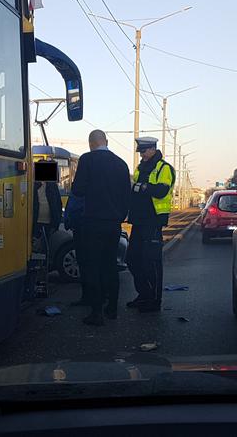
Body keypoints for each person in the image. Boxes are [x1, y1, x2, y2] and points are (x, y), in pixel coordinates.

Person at [71, 130, 131, 326]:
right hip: (113, 224)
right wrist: (119, 216)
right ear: (106, 141)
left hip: (92, 222)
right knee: (110, 266)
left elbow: (78, 190)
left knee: (92, 266)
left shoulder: (87, 160)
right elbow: (126, 196)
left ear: (90, 143)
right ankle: (112, 309)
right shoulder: (121, 164)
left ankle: (96, 312)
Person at [126, 137, 175, 313]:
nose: (142, 155)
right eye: (140, 152)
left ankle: (154, 300)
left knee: (151, 262)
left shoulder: (164, 168)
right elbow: (135, 191)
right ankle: (144, 293)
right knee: (132, 259)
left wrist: (141, 187)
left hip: (153, 222)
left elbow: (162, 190)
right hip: (138, 221)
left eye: (145, 151)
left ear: (153, 149)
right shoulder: (140, 169)